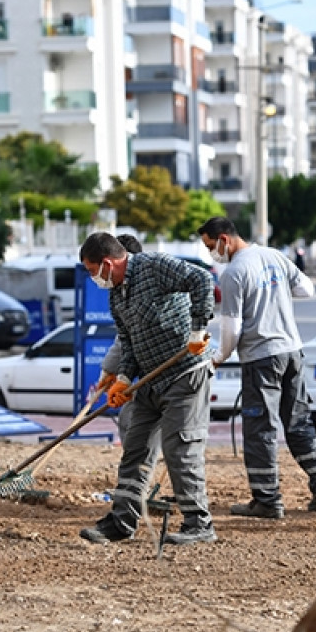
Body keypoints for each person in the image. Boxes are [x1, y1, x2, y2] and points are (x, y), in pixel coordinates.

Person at [78, 233, 218, 546]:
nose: (92, 278)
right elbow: (128, 341)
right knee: (135, 450)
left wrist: (198, 329)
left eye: (92, 270)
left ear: (108, 263)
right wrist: (124, 380)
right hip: (150, 380)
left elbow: (202, 281)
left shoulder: (153, 266)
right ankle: (121, 522)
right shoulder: (116, 296)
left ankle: (199, 524)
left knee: (180, 448)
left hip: (185, 373)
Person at [198, 217, 316, 517]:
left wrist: (217, 358)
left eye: (211, 246)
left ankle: (267, 499)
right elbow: (307, 290)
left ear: (224, 239)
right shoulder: (274, 256)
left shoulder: (233, 273)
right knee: (299, 422)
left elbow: (232, 329)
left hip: (261, 358)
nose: (212, 253)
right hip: (292, 352)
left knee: (260, 427)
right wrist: (274, 297)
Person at [91, 234, 160, 476]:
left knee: (144, 433)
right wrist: (113, 373)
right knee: (132, 426)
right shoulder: (120, 292)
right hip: (138, 374)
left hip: (160, 376)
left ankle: (143, 483)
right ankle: (135, 488)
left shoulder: (148, 284)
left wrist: (112, 370)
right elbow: (124, 339)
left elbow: (125, 340)